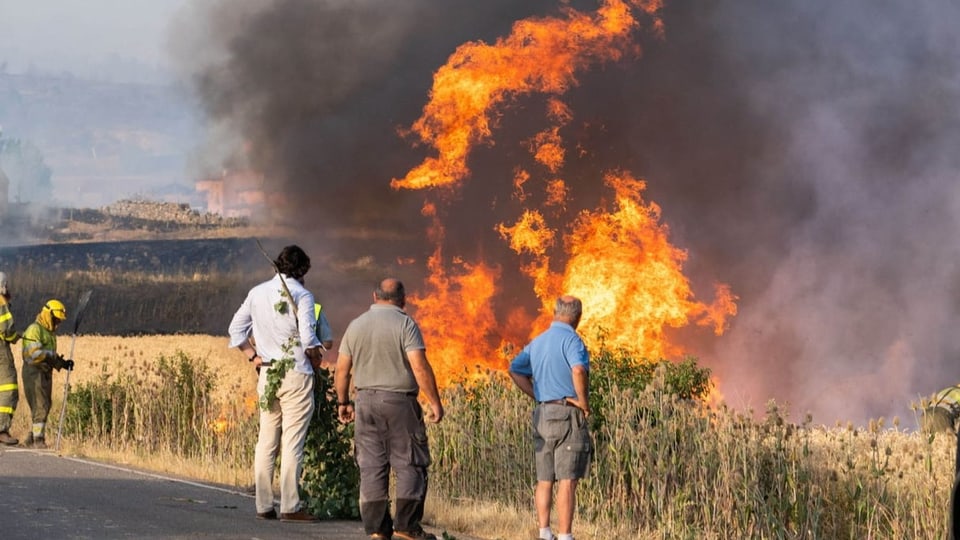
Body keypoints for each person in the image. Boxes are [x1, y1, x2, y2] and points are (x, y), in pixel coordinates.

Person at [335, 278, 444, 540]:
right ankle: (406, 526)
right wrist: (434, 401)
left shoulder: (356, 325)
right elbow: (419, 366)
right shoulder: (405, 323)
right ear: (403, 299)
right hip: (399, 403)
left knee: (371, 466)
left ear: (375, 296)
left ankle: (376, 529)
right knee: (409, 463)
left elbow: (342, 369)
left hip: (365, 403)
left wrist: (343, 402)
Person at [228, 244, 326, 522]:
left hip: (268, 375)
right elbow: (308, 338)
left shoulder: (256, 293)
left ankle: (263, 505)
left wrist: (253, 357)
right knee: (292, 441)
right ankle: (291, 506)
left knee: (266, 439)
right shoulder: (303, 295)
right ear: (303, 270)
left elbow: (235, 329)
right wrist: (317, 356)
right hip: (296, 374)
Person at [508, 295, 592, 540]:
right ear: (578, 316)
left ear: (555, 312)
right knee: (567, 479)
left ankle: (544, 532)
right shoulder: (573, 340)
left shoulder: (538, 342)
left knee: (545, 478)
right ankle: (565, 535)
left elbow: (515, 370)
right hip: (567, 414)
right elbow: (578, 369)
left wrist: (538, 395)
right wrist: (583, 402)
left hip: (543, 413)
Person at [20, 299, 73, 449]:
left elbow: (51, 356)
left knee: (45, 405)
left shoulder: (49, 333)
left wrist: (63, 364)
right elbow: (33, 353)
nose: (58, 323)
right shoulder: (34, 329)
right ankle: (38, 440)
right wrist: (51, 355)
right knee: (40, 405)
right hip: (34, 372)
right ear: (48, 315)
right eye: (56, 319)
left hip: (45, 372)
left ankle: (31, 437)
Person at [0, 273, 21, 445]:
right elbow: (6, 329)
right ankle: (1, 429)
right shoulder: (0, 302)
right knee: (9, 387)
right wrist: (15, 337)